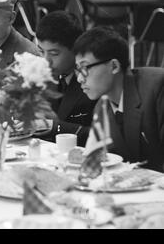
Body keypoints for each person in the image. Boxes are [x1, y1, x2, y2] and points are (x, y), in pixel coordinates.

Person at [74, 27, 164, 172]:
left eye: (85, 68)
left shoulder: (157, 86)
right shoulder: (101, 108)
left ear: (114, 66)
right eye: (77, 70)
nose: (79, 79)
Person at [35, 11, 96, 145]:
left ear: (75, 49)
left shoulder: (93, 78)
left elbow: (104, 136)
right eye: (41, 51)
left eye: (54, 53)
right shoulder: (40, 75)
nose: (46, 61)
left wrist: (55, 127)